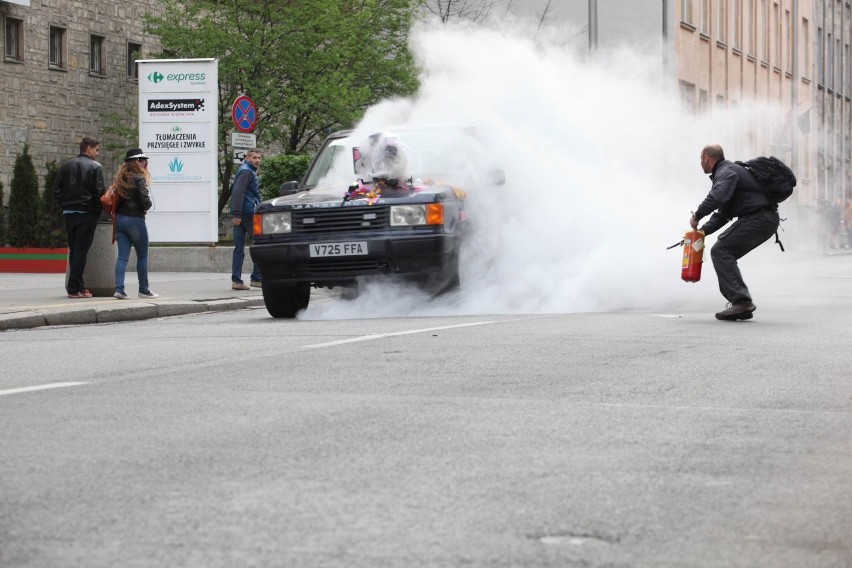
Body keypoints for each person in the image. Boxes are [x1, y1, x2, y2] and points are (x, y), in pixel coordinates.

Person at [690, 144, 781, 321]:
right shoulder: (732, 172)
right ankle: (741, 303)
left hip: (758, 218)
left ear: (706, 158)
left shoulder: (726, 172)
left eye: (701, 159)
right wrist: (701, 232)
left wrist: (697, 216)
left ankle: (741, 301)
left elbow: (717, 197)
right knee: (723, 250)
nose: (700, 163)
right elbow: (725, 214)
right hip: (764, 219)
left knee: (721, 250)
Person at [53, 137, 106, 298]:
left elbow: (57, 191)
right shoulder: (95, 167)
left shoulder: (66, 166)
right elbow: (100, 194)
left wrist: (66, 205)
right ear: (88, 149)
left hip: (69, 213)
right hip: (86, 213)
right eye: (96, 150)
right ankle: (74, 288)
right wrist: (96, 213)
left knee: (74, 250)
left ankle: (77, 286)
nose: (98, 153)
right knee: (81, 251)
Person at [111, 148, 158, 299]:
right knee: (142, 255)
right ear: (132, 162)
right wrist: (149, 204)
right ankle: (143, 290)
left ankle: (119, 289)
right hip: (135, 221)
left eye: (145, 159)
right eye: (140, 159)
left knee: (123, 256)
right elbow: (145, 200)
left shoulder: (120, 178)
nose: (144, 162)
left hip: (120, 220)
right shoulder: (139, 178)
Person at [230, 148, 263, 290]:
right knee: (260, 244)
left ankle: (237, 281)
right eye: (254, 157)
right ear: (248, 158)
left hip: (242, 214)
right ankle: (256, 278)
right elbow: (238, 192)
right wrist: (237, 214)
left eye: (259, 158)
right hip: (249, 215)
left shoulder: (244, 170)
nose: (257, 160)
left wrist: (237, 214)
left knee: (239, 248)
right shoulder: (246, 171)